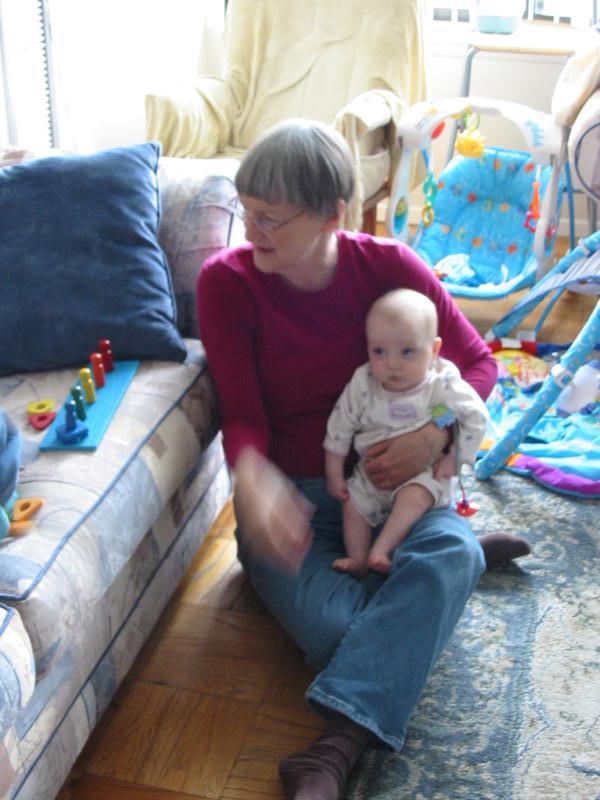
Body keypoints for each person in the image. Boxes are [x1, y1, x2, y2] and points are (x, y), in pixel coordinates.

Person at [197, 119, 530, 800]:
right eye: (245, 210)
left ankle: (333, 751)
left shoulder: (389, 268)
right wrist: (252, 479)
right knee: (340, 628)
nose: (251, 230)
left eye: (271, 218)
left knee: (440, 553)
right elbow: (242, 415)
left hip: (397, 491)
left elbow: (478, 364)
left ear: (332, 215)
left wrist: (436, 435)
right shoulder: (226, 283)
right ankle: (444, 579)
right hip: (296, 503)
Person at [324, 288, 489, 576]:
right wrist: (334, 473)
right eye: (379, 352)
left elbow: (475, 416)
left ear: (434, 351)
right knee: (352, 505)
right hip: (370, 475)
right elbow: (340, 424)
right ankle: (359, 559)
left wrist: (455, 458)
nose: (392, 364)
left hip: (422, 475)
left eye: (407, 352)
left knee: (415, 498)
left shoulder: (442, 384)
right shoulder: (364, 382)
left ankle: (382, 549)